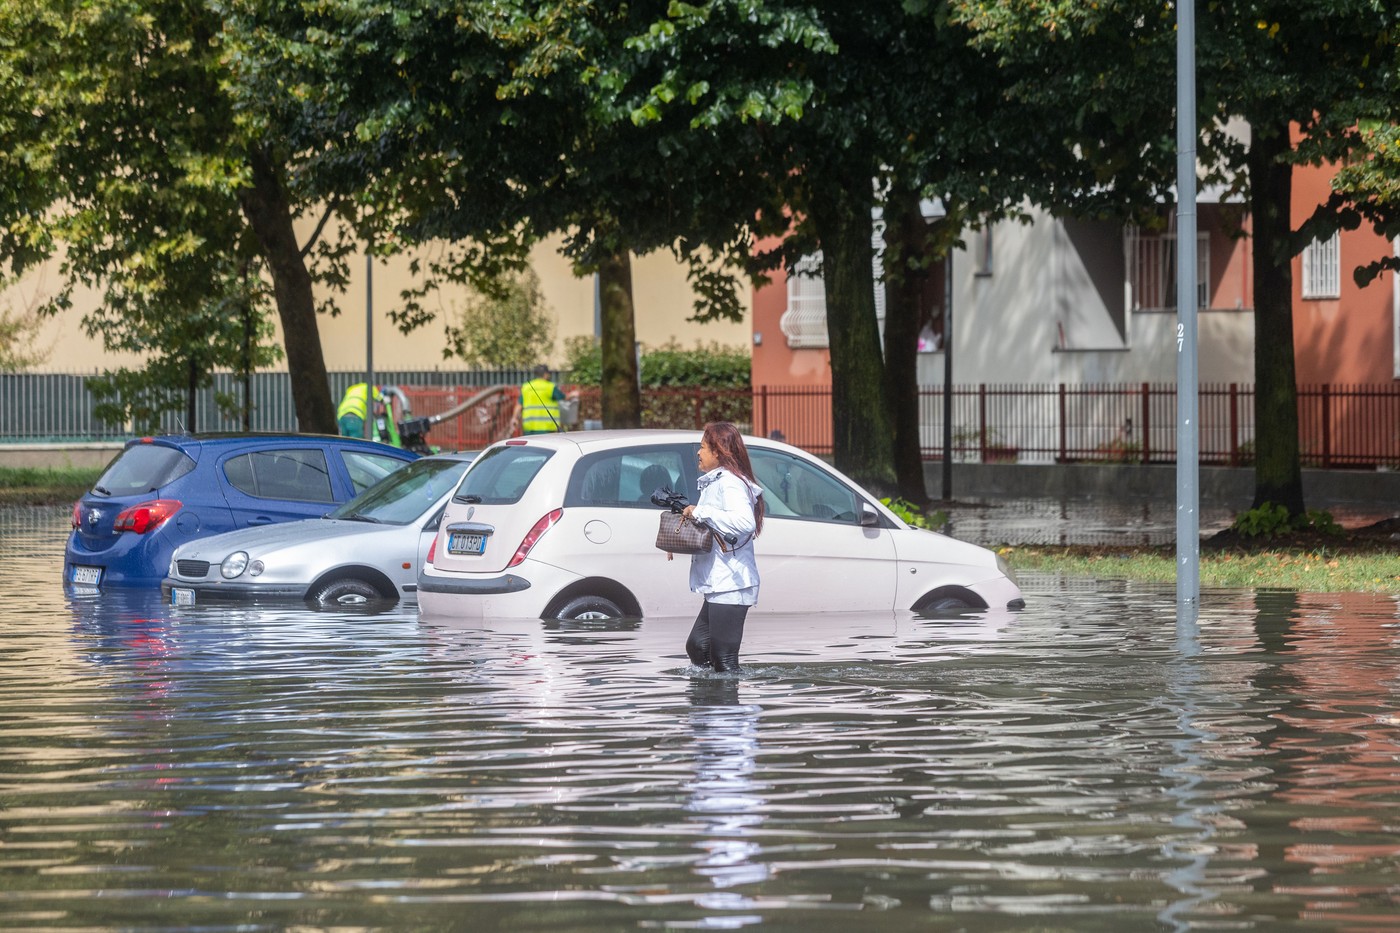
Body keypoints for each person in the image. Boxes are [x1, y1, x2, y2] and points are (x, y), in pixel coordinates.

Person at [681, 422, 765, 673]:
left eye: (703, 448)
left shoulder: (730, 482)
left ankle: (728, 698)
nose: (698, 452)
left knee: (724, 659)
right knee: (698, 647)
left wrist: (701, 512)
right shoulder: (717, 481)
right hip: (721, 583)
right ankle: (708, 697)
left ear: (718, 452)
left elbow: (745, 523)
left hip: (732, 583)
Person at [337, 383, 402, 447]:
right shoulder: (369, 387)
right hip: (355, 415)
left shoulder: (353, 389)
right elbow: (378, 398)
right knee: (356, 443)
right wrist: (384, 400)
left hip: (341, 416)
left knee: (344, 442)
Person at [519, 364, 566, 434]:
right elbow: (563, 397)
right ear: (545, 374)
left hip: (529, 428)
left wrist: (514, 418)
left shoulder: (526, 386)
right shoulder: (550, 386)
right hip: (547, 428)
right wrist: (573, 394)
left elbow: (519, 405)